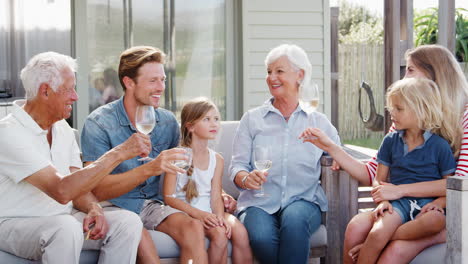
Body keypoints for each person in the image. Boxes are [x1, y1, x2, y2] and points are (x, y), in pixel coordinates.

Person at [301, 44, 468, 263]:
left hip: (450, 213)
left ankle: (377, 240)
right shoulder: (402, 124)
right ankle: (377, 238)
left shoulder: (463, 117)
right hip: (403, 207)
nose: (403, 77)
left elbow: (460, 182)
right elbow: (371, 173)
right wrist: (332, 148)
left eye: (410, 70)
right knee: (354, 228)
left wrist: (399, 191)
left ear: (433, 75)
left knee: (393, 252)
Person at [81, 46, 236, 264]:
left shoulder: (167, 121)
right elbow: (94, 187)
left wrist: (218, 192)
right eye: (153, 81)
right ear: (129, 82)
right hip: (115, 206)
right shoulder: (99, 123)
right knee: (141, 241)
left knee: (193, 227)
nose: (161, 87)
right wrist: (149, 169)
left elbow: (186, 169)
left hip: (153, 203)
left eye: (163, 80)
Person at [0, 51, 148, 263]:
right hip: (14, 222)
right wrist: (119, 153)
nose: (76, 96)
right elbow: (61, 190)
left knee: (128, 222)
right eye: (69, 89)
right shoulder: (8, 133)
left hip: (60, 219)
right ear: (45, 91)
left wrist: (93, 207)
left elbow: (77, 184)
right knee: (66, 228)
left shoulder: (63, 129)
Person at [229, 44, 340, 264]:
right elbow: (237, 166)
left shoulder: (318, 121)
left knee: (295, 220)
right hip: (258, 202)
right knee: (260, 237)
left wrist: (336, 157)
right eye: (269, 72)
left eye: (279, 71)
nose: (272, 77)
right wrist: (245, 178)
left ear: (300, 75)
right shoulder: (252, 119)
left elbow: (339, 154)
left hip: (304, 200)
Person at [163, 97, 253, 264]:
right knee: (219, 235)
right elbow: (168, 197)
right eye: (207, 119)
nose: (214, 124)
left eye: (216, 119)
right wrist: (201, 215)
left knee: (239, 232)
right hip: (187, 213)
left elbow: (215, 195)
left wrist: (219, 217)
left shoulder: (217, 159)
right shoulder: (176, 156)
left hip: (210, 210)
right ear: (190, 126)